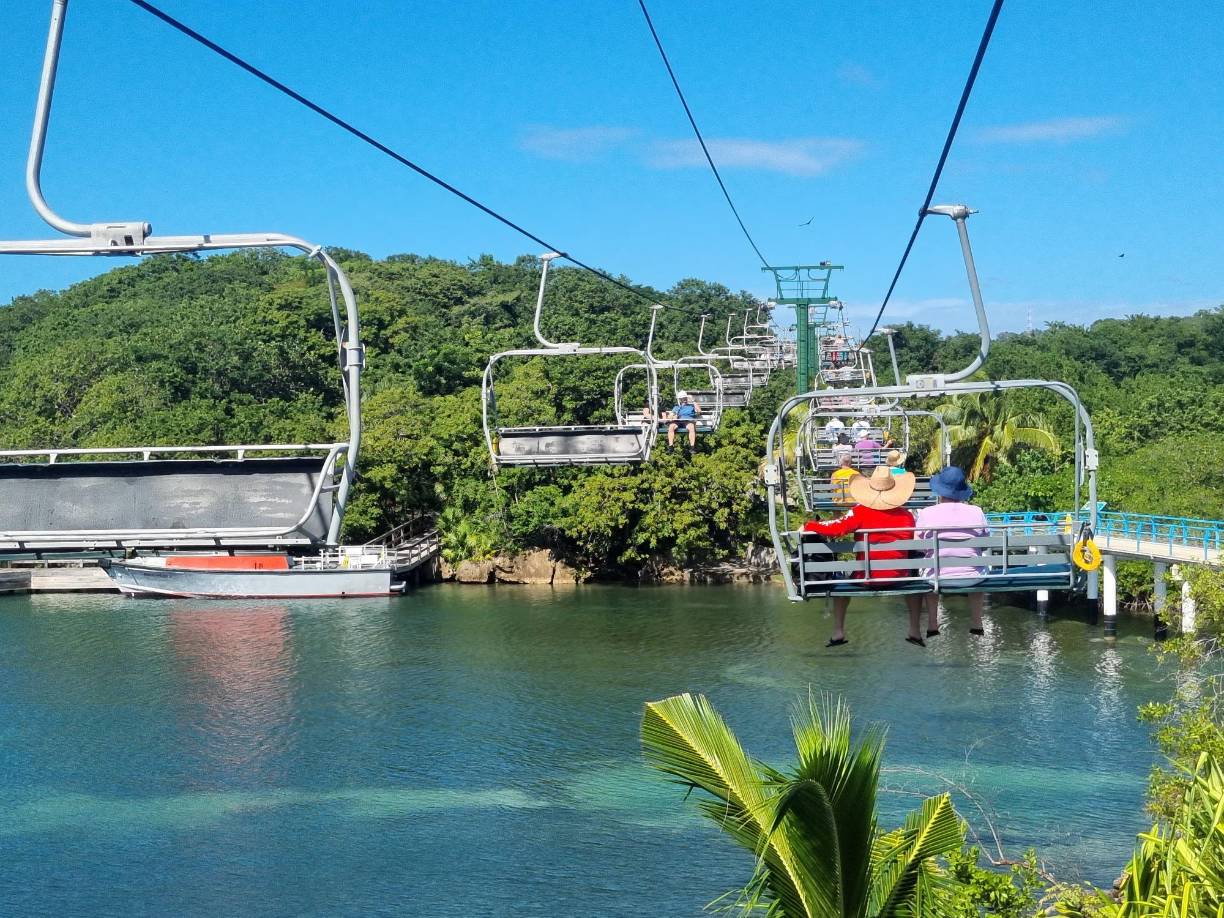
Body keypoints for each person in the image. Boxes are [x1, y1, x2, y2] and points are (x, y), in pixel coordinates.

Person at [803, 466, 927, 648]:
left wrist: (810, 525)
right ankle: (915, 630)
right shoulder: (906, 515)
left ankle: (838, 631)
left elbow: (835, 528)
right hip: (900, 576)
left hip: (867, 578)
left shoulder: (861, 511)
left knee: (840, 580)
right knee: (915, 585)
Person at [913, 466, 990, 637]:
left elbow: (918, 546)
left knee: (929, 568)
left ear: (939, 491)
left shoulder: (926, 513)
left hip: (937, 577)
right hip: (972, 578)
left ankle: (933, 623)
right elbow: (984, 545)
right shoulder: (976, 512)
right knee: (978, 566)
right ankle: (976, 622)